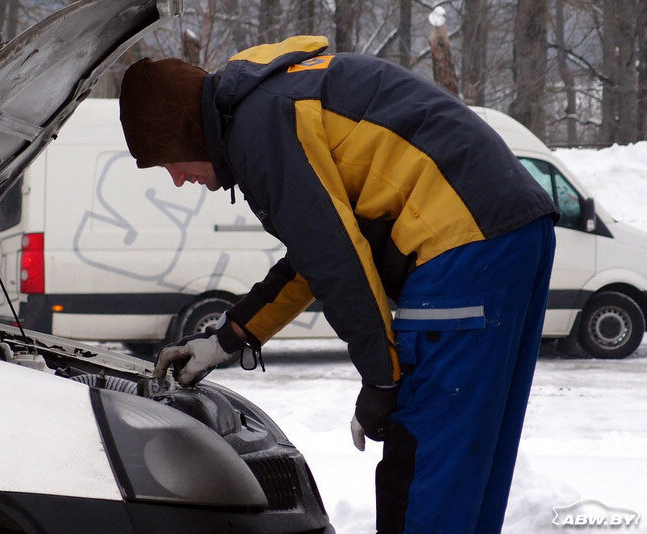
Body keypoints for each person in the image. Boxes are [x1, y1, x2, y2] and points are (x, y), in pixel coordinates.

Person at [117, 35, 557, 534]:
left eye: (168, 161)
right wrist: (227, 338)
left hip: (461, 245)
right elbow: (317, 253)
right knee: (470, 459)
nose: (176, 179)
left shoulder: (260, 127)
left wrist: (382, 381)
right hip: (511, 234)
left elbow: (337, 262)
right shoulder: (271, 101)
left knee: (423, 461)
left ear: (187, 134)